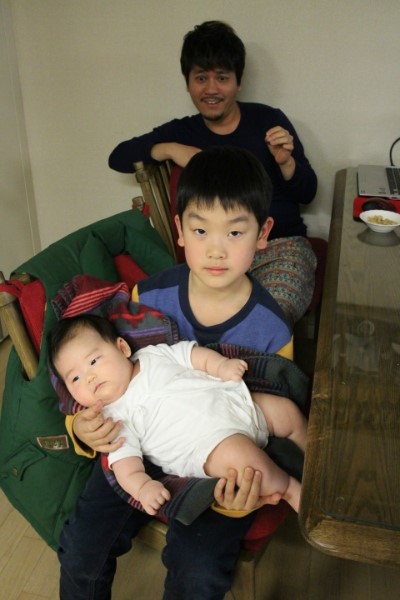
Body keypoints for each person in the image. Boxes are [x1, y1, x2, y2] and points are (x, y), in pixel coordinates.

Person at [61, 146, 300, 600]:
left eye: (235, 231)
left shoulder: (271, 329)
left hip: (216, 459)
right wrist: (82, 429)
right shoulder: (145, 299)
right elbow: (96, 372)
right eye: (200, 229)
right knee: (81, 547)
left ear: (263, 233)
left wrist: (242, 497)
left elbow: (278, 427)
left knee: (198, 572)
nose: (216, 248)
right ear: (180, 230)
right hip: (135, 446)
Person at [109, 20, 318, 326]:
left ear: (238, 81)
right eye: (200, 78)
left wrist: (287, 163)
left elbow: (309, 192)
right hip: (214, 256)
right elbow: (118, 157)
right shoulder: (184, 131)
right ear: (188, 83)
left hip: (279, 247)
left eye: (222, 77)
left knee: (266, 319)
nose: (210, 89)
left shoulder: (268, 120)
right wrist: (170, 149)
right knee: (196, 319)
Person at [49, 315, 306, 515]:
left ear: (122, 348)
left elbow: (192, 356)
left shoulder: (153, 355)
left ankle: (315, 452)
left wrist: (221, 366)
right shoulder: (112, 420)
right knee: (247, 461)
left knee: (287, 411)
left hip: (236, 402)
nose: (89, 377)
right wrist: (142, 487)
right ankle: (292, 490)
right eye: (75, 378)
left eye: (93, 361)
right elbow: (126, 467)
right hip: (209, 446)